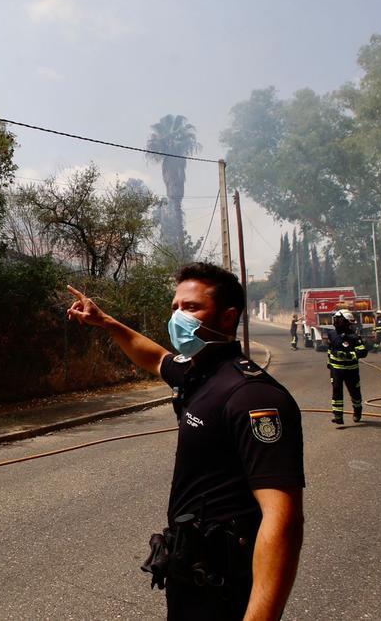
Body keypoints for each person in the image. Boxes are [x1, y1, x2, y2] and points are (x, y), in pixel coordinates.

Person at [67, 262, 305, 620]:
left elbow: (283, 520)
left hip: (227, 584)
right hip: (190, 568)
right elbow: (155, 356)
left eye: (191, 307)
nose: (178, 316)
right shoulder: (198, 371)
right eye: (175, 307)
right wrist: (106, 322)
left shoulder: (252, 396)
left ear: (227, 318)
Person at [326, 310, 368, 425]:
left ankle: (357, 411)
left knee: (354, 392)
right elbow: (330, 349)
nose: (335, 322)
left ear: (344, 321)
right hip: (336, 370)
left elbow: (363, 352)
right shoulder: (331, 334)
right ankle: (338, 416)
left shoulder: (353, 336)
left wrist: (348, 355)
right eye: (335, 320)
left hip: (351, 370)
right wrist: (329, 362)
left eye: (338, 320)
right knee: (336, 391)